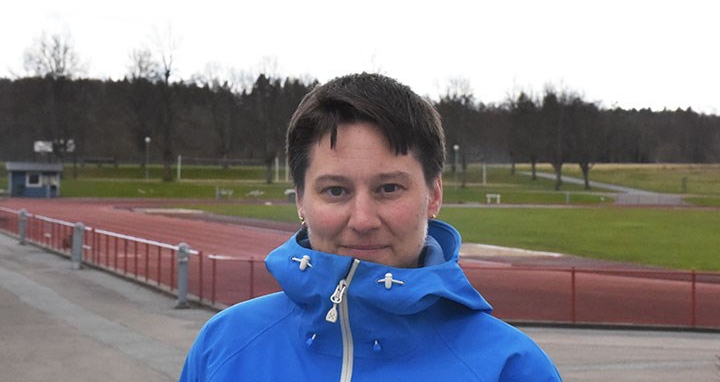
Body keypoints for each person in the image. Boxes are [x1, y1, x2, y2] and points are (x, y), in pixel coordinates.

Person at [180, 73, 561, 381]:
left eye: (389, 188)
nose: (362, 220)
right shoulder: (223, 346)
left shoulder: (511, 368)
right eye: (335, 190)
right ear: (300, 199)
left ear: (433, 195)